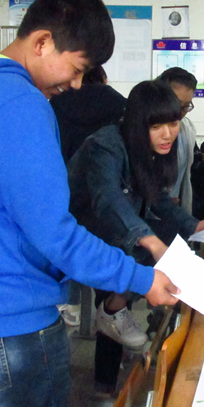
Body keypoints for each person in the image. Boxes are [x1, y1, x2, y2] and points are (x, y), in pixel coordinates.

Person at [0, 0, 179, 407]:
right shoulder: (19, 105)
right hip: (9, 323)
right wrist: (141, 279)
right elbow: (56, 234)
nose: (76, 84)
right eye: (77, 68)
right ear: (41, 42)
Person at [67, 80, 204, 392]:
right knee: (137, 251)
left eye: (173, 123)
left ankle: (114, 315)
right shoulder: (105, 145)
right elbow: (108, 201)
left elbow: (158, 199)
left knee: (167, 241)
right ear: (138, 123)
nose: (167, 134)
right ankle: (105, 386)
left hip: (115, 225)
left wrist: (194, 225)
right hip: (82, 228)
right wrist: (148, 240)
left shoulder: (151, 150)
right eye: (156, 126)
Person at [50, 65, 126, 326]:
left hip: (64, 193)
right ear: (103, 78)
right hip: (104, 198)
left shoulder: (55, 103)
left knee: (65, 249)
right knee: (108, 265)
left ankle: (66, 304)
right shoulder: (119, 104)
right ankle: (109, 322)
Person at [156, 67, 197, 214]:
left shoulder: (187, 129)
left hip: (174, 212)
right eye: (177, 105)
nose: (180, 112)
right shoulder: (147, 131)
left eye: (186, 106)